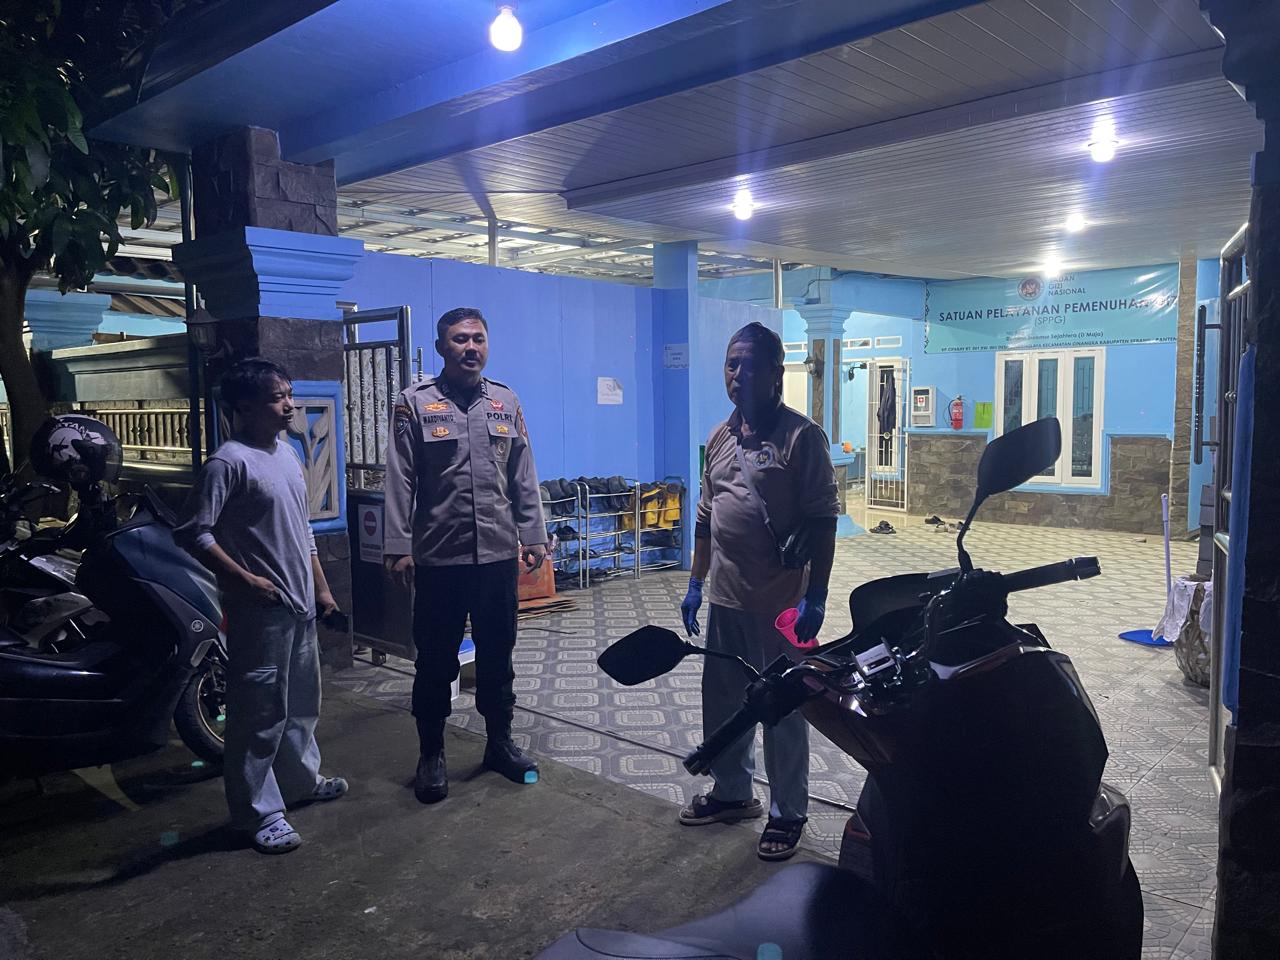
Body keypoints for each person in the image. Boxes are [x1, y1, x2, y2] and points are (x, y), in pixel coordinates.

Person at [679, 322, 839, 862]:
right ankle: (732, 793)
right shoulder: (720, 437)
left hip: (782, 607)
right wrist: (695, 583)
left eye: (750, 365)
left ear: (776, 373)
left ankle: (788, 812)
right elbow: (706, 517)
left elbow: (824, 521)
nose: (739, 375)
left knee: (782, 711)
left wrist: (817, 595)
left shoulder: (802, 438)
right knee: (724, 703)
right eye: (731, 364)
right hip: (725, 600)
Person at [175, 358, 347, 855]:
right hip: (258, 611)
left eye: (289, 394)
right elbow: (193, 532)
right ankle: (257, 812)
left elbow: (303, 531)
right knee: (258, 714)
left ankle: (299, 783)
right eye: (277, 398)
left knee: (301, 705)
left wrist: (321, 589)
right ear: (245, 407)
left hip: (299, 605)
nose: (289, 405)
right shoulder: (228, 463)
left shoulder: (288, 453)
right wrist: (244, 579)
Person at [384, 307, 548, 805]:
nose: (470, 347)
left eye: (478, 338)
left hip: (496, 555)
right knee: (435, 661)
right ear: (441, 347)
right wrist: (398, 545)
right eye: (459, 339)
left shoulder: (505, 401)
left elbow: (522, 472)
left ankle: (499, 743)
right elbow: (400, 478)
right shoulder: (415, 403)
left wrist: (534, 534)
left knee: (498, 656)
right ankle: (431, 754)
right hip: (439, 558)